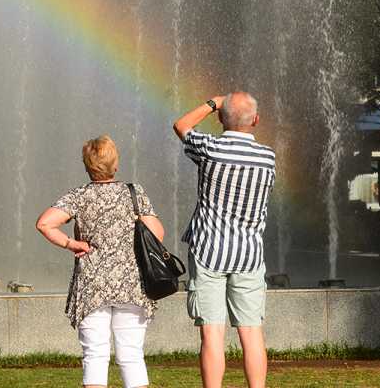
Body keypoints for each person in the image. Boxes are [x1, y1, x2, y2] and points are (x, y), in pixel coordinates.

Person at [36, 135, 165, 388]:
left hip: (92, 286)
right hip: (131, 284)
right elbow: (157, 234)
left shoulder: (79, 196)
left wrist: (72, 244)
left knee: (95, 356)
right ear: (115, 164)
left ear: (87, 166)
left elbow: (44, 223)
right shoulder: (134, 193)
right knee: (132, 356)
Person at [172, 92, 275, 388]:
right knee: (251, 331)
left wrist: (213, 103)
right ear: (256, 120)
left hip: (209, 251)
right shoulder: (267, 157)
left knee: (212, 333)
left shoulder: (210, 149)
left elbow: (181, 125)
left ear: (220, 118)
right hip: (248, 254)